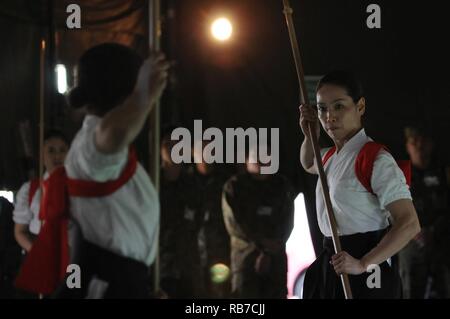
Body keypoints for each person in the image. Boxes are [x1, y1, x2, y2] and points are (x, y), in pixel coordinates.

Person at [15, 43, 169, 298]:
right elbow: (114, 132)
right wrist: (144, 94)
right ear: (125, 91)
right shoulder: (92, 146)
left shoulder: (107, 150)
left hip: (125, 282)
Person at [299, 70, 421, 299]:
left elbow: (409, 224)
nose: (329, 117)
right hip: (334, 263)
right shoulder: (330, 156)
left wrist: (363, 263)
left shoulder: (375, 158)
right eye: (322, 108)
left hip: (366, 269)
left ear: (361, 106)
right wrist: (310, 136)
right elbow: (308, 162)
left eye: (338, 106)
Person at [222, 145, 295, 298]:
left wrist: (269, 251)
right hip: (246, 260)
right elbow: (234, 225)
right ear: (246, 159)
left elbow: (287, 223)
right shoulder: (234, 186)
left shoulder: (282, 186)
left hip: (276, 262)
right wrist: (260, 248)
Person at [398, 126, 450, 298]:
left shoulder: (444, 172)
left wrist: (434, 231)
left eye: (423, 141)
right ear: (407, 146)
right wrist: (414, 231)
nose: (419, 146)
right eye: (414, 142)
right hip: (411, 242)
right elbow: (391, 211)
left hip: (441, 240)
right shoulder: (399, 175)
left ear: (431, 144)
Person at [13, 130, 69, 253]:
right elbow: (20, 232)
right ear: (41, 156)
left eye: (62, 150)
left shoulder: (76, 187)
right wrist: (39, 253)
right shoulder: (30, 189)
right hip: (38, 251)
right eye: (51, 151)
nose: (57, 156)